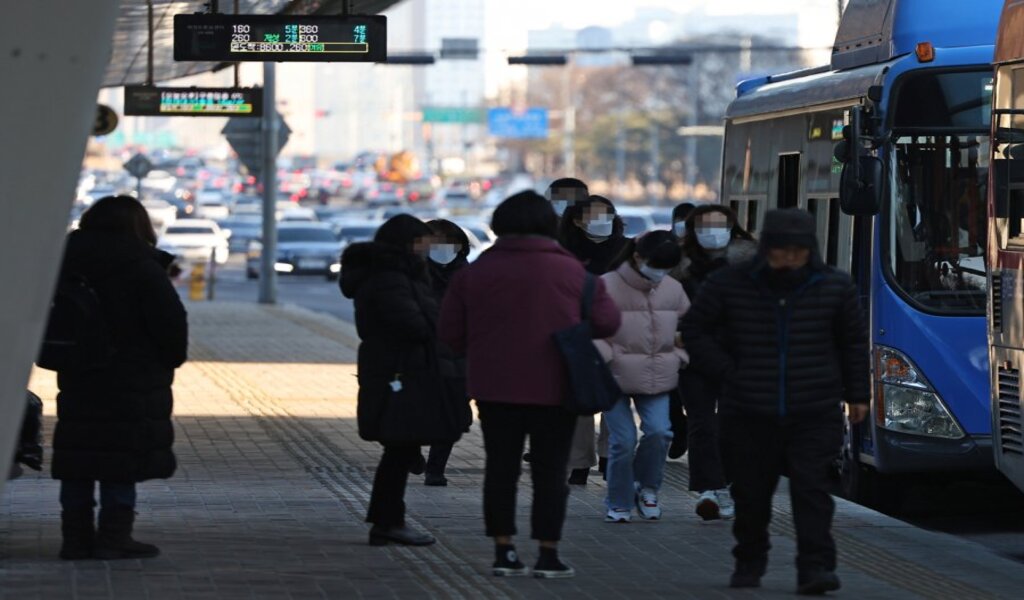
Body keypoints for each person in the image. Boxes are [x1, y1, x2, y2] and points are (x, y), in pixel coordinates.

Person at [680, 208, 869, 594]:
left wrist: (857, 394)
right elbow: (693, 330)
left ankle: (815, 568)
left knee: (812, 491)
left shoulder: (835, 286)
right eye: (781, 251)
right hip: (749, 409)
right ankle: (749, 561)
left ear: (810, 250)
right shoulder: (730, 284)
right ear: (765, 248)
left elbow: (852, 343)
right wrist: (727, 370)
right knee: (751, 493)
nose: (788, 259)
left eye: (798, 252)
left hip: (814, 408)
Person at [439, 191, 621, 578]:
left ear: (498, 224)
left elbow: (451, 334)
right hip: (557, 387)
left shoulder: (474, 274)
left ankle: (503, 551)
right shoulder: (573, 272)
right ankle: (548, 553)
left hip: (494, 388)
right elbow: (608, 323)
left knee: (501, 470)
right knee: (551, 472)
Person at [52, 195, 188, 560]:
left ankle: (75, 539)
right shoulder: (142, 267)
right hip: (131, 378)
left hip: (79, 374)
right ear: (139, 226)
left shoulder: (63, 262)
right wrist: (168, 360)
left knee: (79, 456)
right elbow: (171, 326)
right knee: (120, 458)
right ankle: (114, 537)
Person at [340, 214, 449, 547]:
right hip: (400, 371)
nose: (428, 250)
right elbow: (411, 324)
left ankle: (387, 520)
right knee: (399, 449)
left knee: (399, 449)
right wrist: (436, 325)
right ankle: (388, 522)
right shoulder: (391, 277)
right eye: (423, 244)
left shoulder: (396, 273)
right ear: (406, 243)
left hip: (397, 368)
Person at [670, 204, 758, 521]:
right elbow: (662, 306)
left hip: (737, 356)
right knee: (701, 423)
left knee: (735, 425)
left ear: (732, 227)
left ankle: (729, 486)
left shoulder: (753, 263)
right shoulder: (677, 265)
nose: (711, 231)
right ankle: (709, 488)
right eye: (703, 225)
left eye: (718, 224)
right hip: (693, 356)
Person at [595, 231, 690, 523]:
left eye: (667, 268)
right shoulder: (606, 285)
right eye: (657, 265)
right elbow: (588, 327)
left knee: (660, 432)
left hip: (657, 375)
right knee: (622, 441)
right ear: (637, 258)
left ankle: (648, 489)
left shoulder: (673, 288)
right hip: (613, 375)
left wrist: (680, 357)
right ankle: (619, 500)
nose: (660, 273)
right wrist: (606, 357)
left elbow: (688, 328)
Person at [559, 195, 631, 484]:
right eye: (595, 215)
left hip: (621, 329)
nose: (604, 220)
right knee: (580, 399)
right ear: (577, 220)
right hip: (577, 331)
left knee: (616, 396)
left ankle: (609, 457)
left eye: (608, 214)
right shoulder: (563, 252)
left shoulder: (628, 249)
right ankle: (578, 464)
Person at [421, 219, 472, 487]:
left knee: (450, 414)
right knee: (417, 409)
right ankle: (411, 453)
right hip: (421, 353)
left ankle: (435, 469)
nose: (442, 248)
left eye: (449, 242)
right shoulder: (415, 273)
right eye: (436, 241)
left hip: (458, 355)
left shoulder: (470, 276)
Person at [665, 201, 696, 460]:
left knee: (692, 392)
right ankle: (679, 428)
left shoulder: (707, 257)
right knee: (669, 390)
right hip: (669, 330)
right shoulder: (665, 250)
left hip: (696, 332)